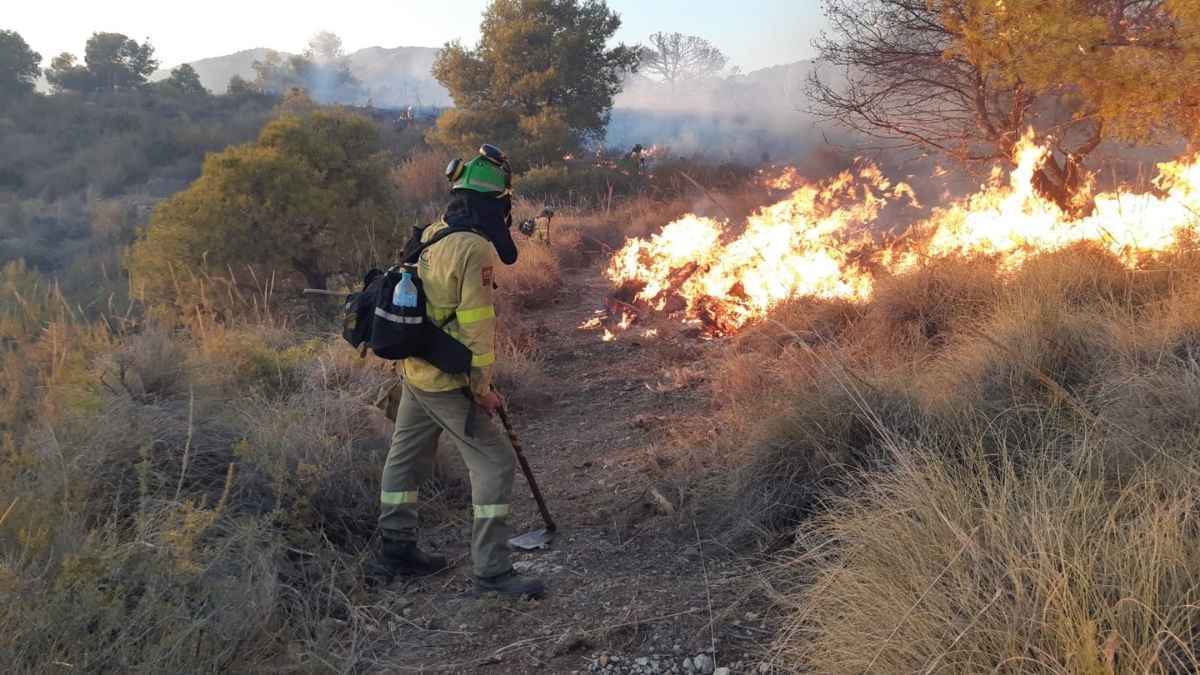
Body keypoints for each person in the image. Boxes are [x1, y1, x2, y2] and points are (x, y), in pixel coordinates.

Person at [370, 144, 546, 599]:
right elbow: (476, 326)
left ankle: (396, 550)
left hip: (416, 371)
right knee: (494, 463)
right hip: (449, 382)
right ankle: (492, 570)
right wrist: (481, 388)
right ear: (494, 204)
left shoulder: (434, 232)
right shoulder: (473, 248)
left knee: (404, 458)